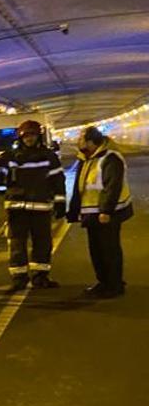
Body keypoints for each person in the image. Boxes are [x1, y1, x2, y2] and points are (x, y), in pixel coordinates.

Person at [0, 120, 66, 290]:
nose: (29, 139)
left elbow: (58, 181)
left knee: (43, 243)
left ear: (38, 136)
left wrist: (60, 202)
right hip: (17, 209)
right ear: (21, 137)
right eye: (26, 136)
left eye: (32, 135)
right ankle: (19, 278)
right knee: (17, 243)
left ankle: (40, 276)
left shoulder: (48, 157)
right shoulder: (10, 157)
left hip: (40, 207)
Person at [68, 126, 133, 299]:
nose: (77, 141)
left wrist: (106, 211)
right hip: (91, 212)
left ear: (90, 141)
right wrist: (74, 211)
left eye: (81, 138)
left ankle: (115, 285)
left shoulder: (110, 158)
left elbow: (112, 186)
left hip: (107, 213)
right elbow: (80, 187)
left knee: (109, 250)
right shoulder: (86, 159)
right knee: (96, 251)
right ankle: (103, 282)